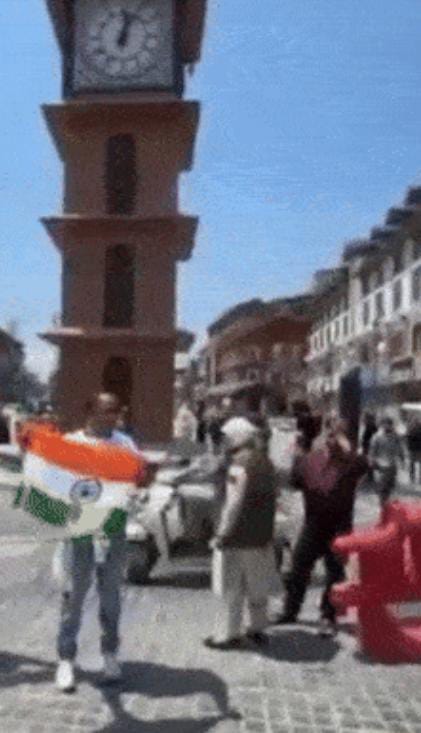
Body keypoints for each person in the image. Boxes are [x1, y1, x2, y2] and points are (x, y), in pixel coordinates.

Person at [55, 392, 143, 693]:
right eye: (107, 410)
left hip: (114, 525)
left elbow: (134, 476)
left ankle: (110, 655)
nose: (113, 416)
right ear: (90, 411)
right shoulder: (72, 443)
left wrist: (134, 486)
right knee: (74, 595)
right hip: (82, 526)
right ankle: (66, 658)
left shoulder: (124, 442)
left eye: (116, 411)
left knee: (111, 597)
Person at [272, 425, 367, 637]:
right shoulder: (310, 463)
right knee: (298, 568)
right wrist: (297, 456)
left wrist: (345, 445)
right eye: (328, 438)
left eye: (335, 439)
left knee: (334, 574)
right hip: (313, 526)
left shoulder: (348, 465)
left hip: (339, 529)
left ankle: (328, 615)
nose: (330, 442)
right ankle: (290, 610)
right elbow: (294, 481)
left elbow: (364, 464)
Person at [204, 417, 277, 650]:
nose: (223, 442)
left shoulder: (238, 465)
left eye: (226, 437)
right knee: (257, 587)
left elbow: (233, 504)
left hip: (236, 537)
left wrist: (222, 534)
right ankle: (257, 629)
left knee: (230, 588)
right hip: (261, 536)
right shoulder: (266, 462)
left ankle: (228, 634)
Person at [369, 416, 405, 506]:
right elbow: (372, 450)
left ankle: (386, 502)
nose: (387, 426)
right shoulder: (377, 436)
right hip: (381, 465)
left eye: (389, 424)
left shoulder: (395, 436)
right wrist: (372, 461)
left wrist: (402, 459)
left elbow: (400, 448)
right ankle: (382, 504)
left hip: (392, 464)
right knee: (382, 486)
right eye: (385, 424)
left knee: (390, 485)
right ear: (382, 425)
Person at [406, 416, 421, 484]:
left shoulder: (411, 429)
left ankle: (414, 478)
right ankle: (412, 478)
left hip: (417, 449)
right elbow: (408, 438)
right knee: (412, 464)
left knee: (413, 464)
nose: (416, 422)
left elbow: (407, 438)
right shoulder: (410, 429)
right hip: (413, 449)